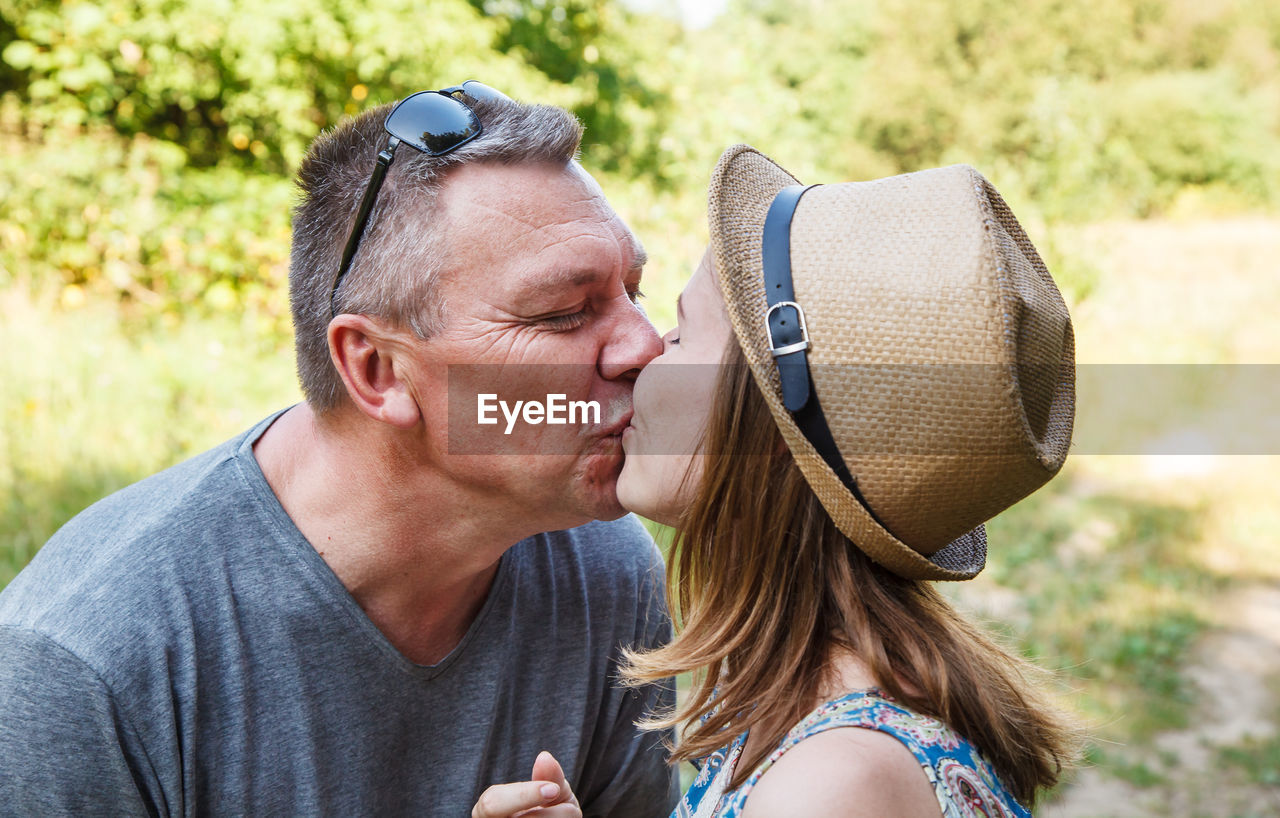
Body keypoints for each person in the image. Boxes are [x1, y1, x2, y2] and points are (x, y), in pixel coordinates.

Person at [0, 83, 679, 816]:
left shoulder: (605, 576)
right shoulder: (84, 665)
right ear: (377, 369)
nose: (644, 345)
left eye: (633, 293)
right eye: (561, 312)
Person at [614, 144, 1081, 817]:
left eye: (681, 336)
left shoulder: (829, 786)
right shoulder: (820, 706)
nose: (642, 355)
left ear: (769, 437)